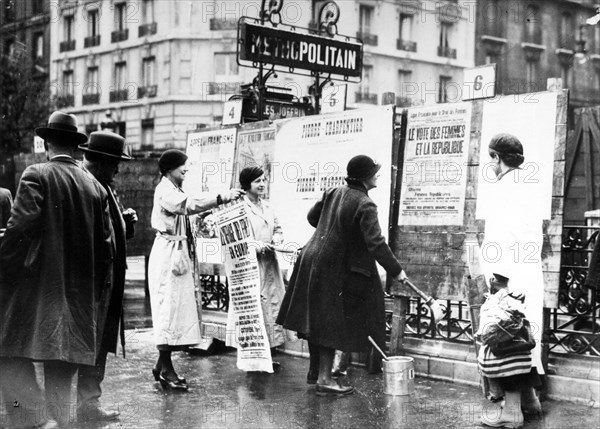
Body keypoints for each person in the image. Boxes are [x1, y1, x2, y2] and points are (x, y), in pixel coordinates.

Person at [0, 111, 112, 428]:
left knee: (8, 355)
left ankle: (34, 419)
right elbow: (106, 251)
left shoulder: (36, 174)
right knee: (61, 385)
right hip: (79, 304)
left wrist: (6, 274)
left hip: (40, 297)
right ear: (75, 146)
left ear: (46, 141)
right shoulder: (95, 187)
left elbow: (18, 233)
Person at [276, 155, 408, 396]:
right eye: (374, 171)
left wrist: (334, 230)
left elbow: (312, 218)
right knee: (330, 323)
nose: (377, 174)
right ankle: (325, 380)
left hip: (310, 259)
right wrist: (396, 271)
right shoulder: (365, 204)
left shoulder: (333, 191)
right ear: (365, 177)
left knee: (319, 321)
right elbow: (376, 244)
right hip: (331, 267)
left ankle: (321, 376)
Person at [148, 149, 244, 390]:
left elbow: (190, 209)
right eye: (182, 166)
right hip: (170, 255)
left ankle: (161, 366)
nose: (186, 169)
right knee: (169, 311)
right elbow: (188, 205)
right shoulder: (166, 191)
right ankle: (167, 370)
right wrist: (221, 197)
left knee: (177, 310)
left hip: (178, 252)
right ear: (169, 168)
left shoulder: (174, 189)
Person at [479, 133, 543, 427]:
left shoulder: (505, 189)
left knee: (508, 336)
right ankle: (530, 402)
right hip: (527, 273)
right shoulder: (528, 186)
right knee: (526, 336)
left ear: (497, 157)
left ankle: (512, 413)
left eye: (490, 157)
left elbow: (505, 237)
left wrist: (499, 283)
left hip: (509, 276)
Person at [77, 131, 138, 422]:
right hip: (89, 285)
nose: (119, 169)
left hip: (105, 282)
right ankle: (83, 406)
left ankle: (88, 403)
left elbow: (107, 231)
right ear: (102, 161)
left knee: (99, 345)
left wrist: (124, 223)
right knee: (87, 345)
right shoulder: (86, 184)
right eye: (115, 163)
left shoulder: (102, 184)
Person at [239, 166, 286, 368]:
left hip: (269, 262)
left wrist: (276, 238)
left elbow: (277, 228)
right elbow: (238, 239)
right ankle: (253, 358)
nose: (262, 184)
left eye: (264, 180)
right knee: (254, 308)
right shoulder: (239, 208)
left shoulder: (268, 206)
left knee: (270, 306)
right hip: (250, 265)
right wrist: (256, 245)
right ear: (247, 184)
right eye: (257, 181)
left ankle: (268, 355)